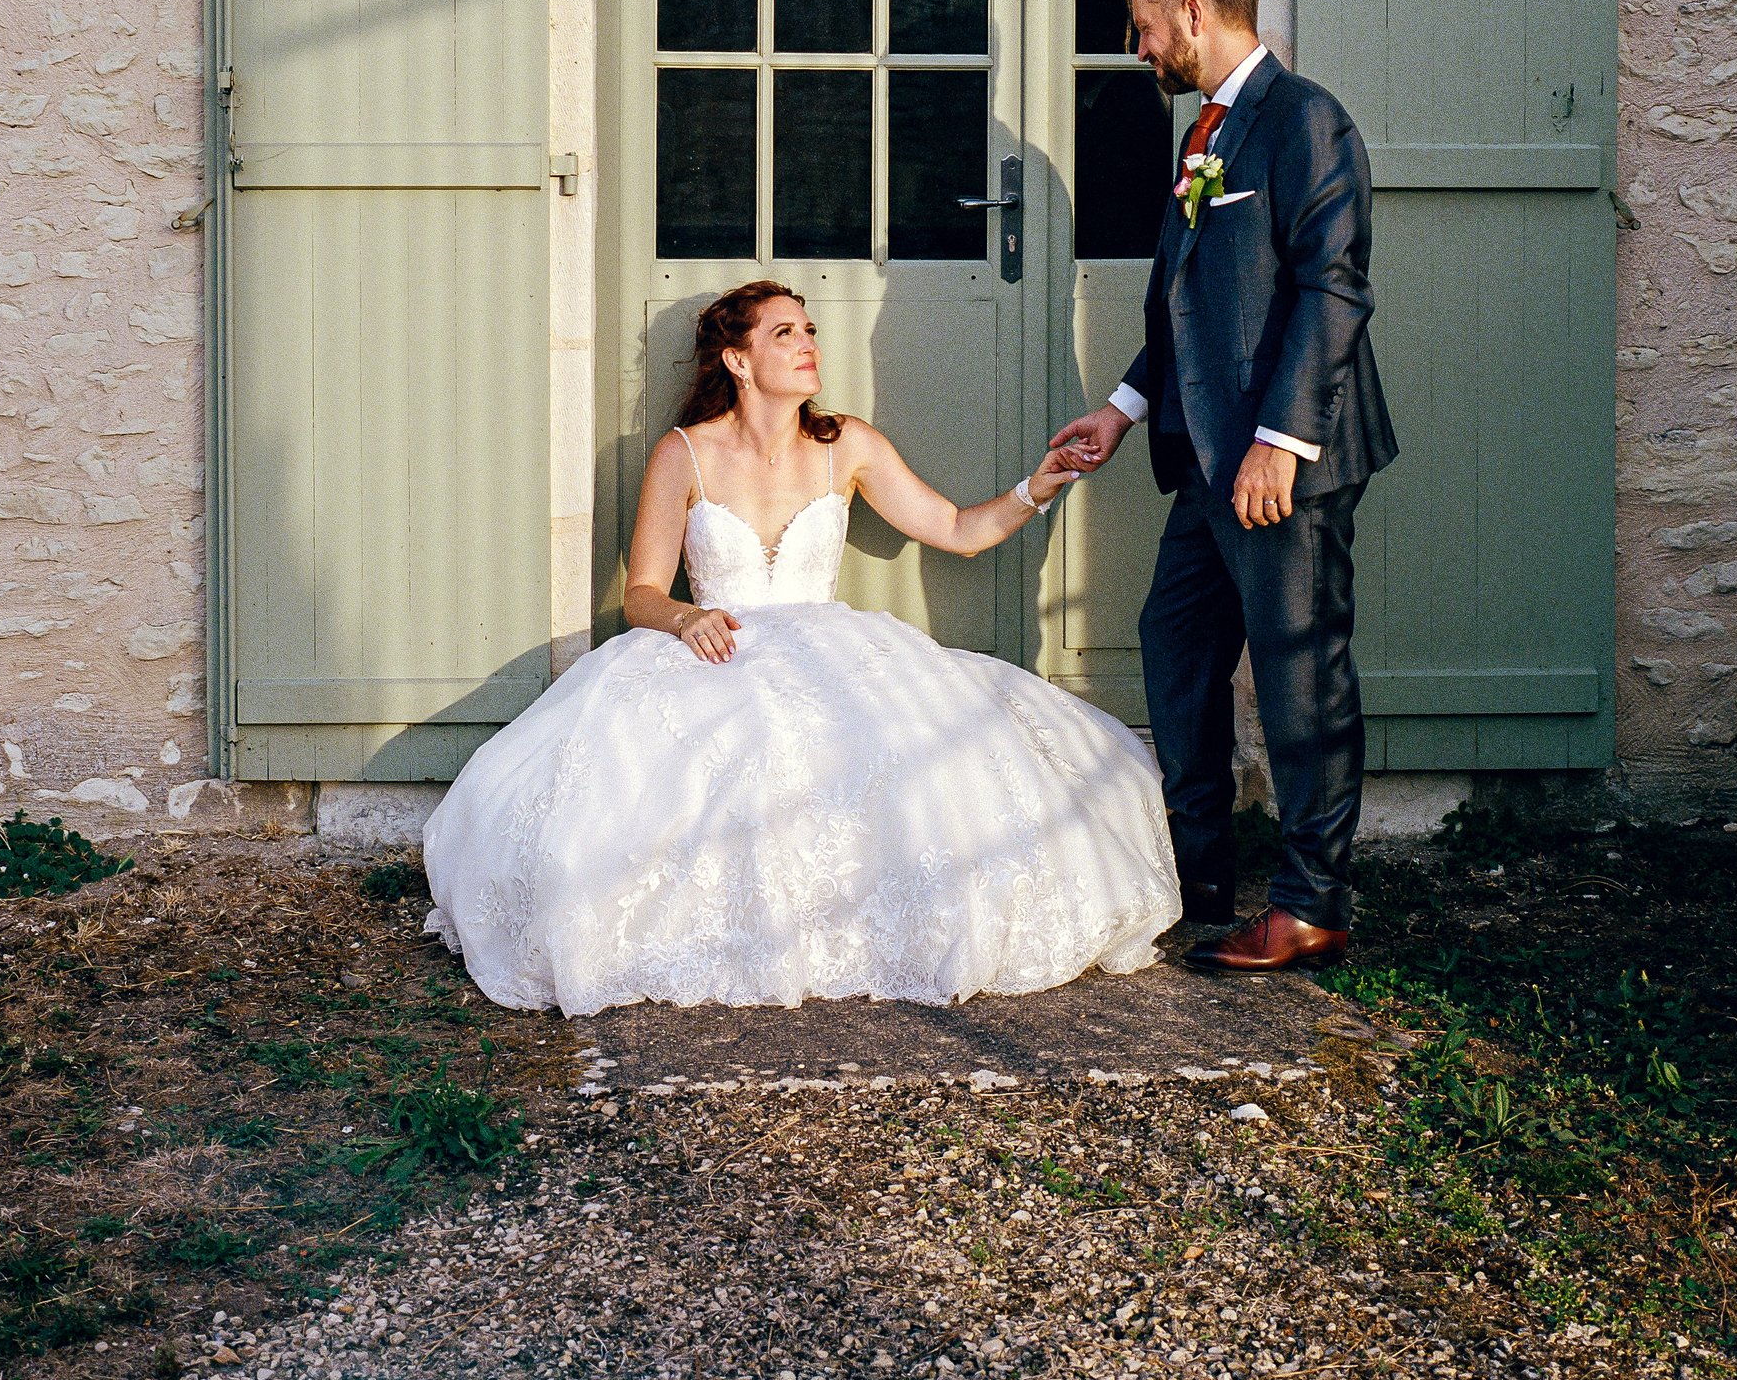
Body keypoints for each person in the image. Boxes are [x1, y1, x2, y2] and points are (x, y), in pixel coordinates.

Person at [424, 280, 1181, 1014]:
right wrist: (688, 620)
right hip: (717, 647)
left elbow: (957, 529)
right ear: (738, 360)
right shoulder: (683, 453)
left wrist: (1038, 485)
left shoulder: (845, 442)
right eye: (784, 333)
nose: (808, 343)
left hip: (833, 645)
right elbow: (642, 594)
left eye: (809, 329)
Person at [1049, 0, 1396, 973]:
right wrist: (1118, 406)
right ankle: (1196, 876)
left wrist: (1278, 444)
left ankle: (1308, 904)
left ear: (1194, 13)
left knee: (1299, 673)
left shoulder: (1305, 123)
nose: (1139, 48)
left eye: (1145, 27)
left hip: (1281, 464)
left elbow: (1332, 292)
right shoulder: (1203, 135)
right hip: (1201, 460)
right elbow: (1184, 309)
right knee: (1176, 647)